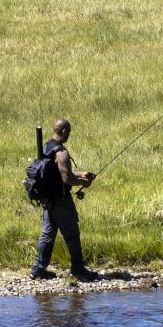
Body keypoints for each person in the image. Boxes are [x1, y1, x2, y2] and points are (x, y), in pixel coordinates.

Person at [31, 117, 98, 281]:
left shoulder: (47, 147)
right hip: (61, 201)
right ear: (64, 131)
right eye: (69, 132)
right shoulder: (61, 152)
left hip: (48, 201)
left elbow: (57, 173)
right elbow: (66, 178)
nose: (69, 135)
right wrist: (84, 182)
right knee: (72, 235)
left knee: (47, 235)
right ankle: (78, 269)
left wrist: (82, 173)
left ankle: (38, 269)